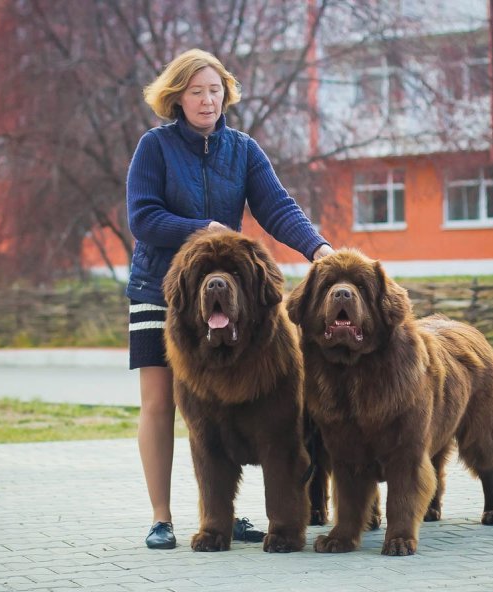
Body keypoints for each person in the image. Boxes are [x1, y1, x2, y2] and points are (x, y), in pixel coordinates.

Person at [125, 48, 333, 550]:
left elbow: (277, 207)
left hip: (228, 301)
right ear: (176, 96)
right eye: (196, 91)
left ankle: (223, 515)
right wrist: (201, 229)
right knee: (160, 403)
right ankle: (161, 517)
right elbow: (143, 218)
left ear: (226, 95)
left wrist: (319, 249)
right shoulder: (154, 148)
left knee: (230, 410)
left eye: (215, 90)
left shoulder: (242, 149)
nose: (207, 99)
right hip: (162, 291)